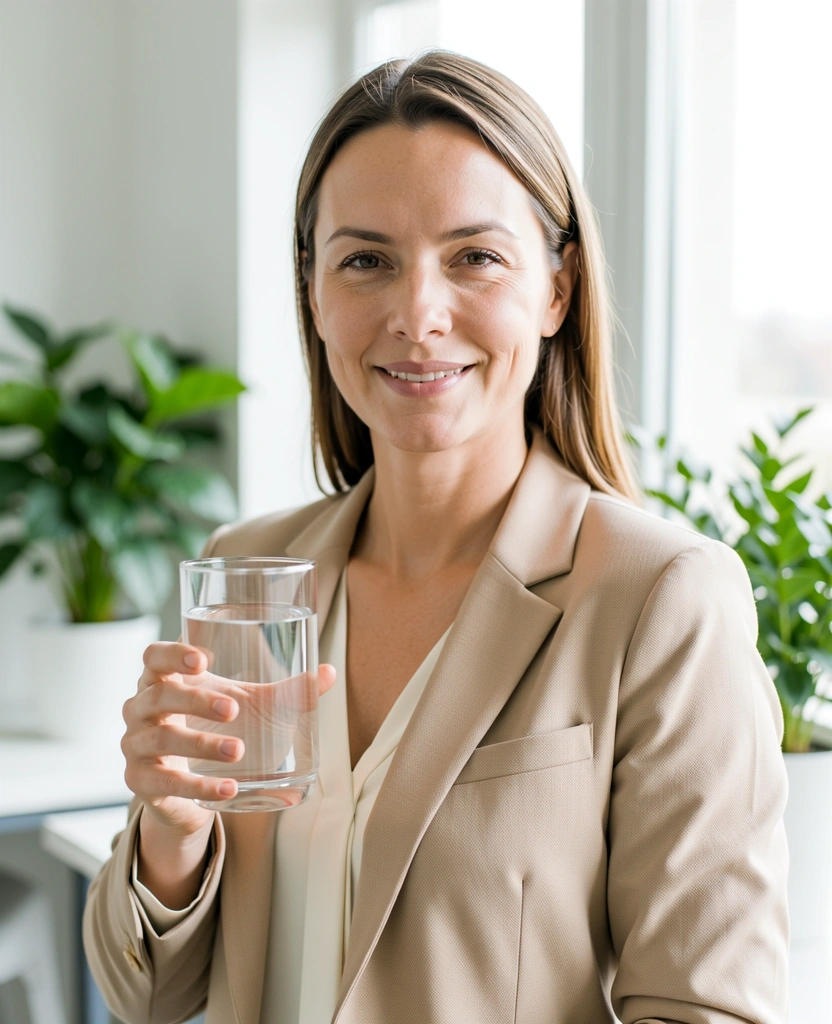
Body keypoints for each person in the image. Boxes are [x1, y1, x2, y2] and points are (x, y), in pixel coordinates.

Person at [83, 51, 789, 1024]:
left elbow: (705, 1007)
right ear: (316, 291)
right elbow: (149, 994)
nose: (417, 315)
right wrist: (172, 832)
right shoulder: (245, 573)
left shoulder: (660, 598)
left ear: (555, 288)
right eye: (366, 260)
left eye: (474, 256)